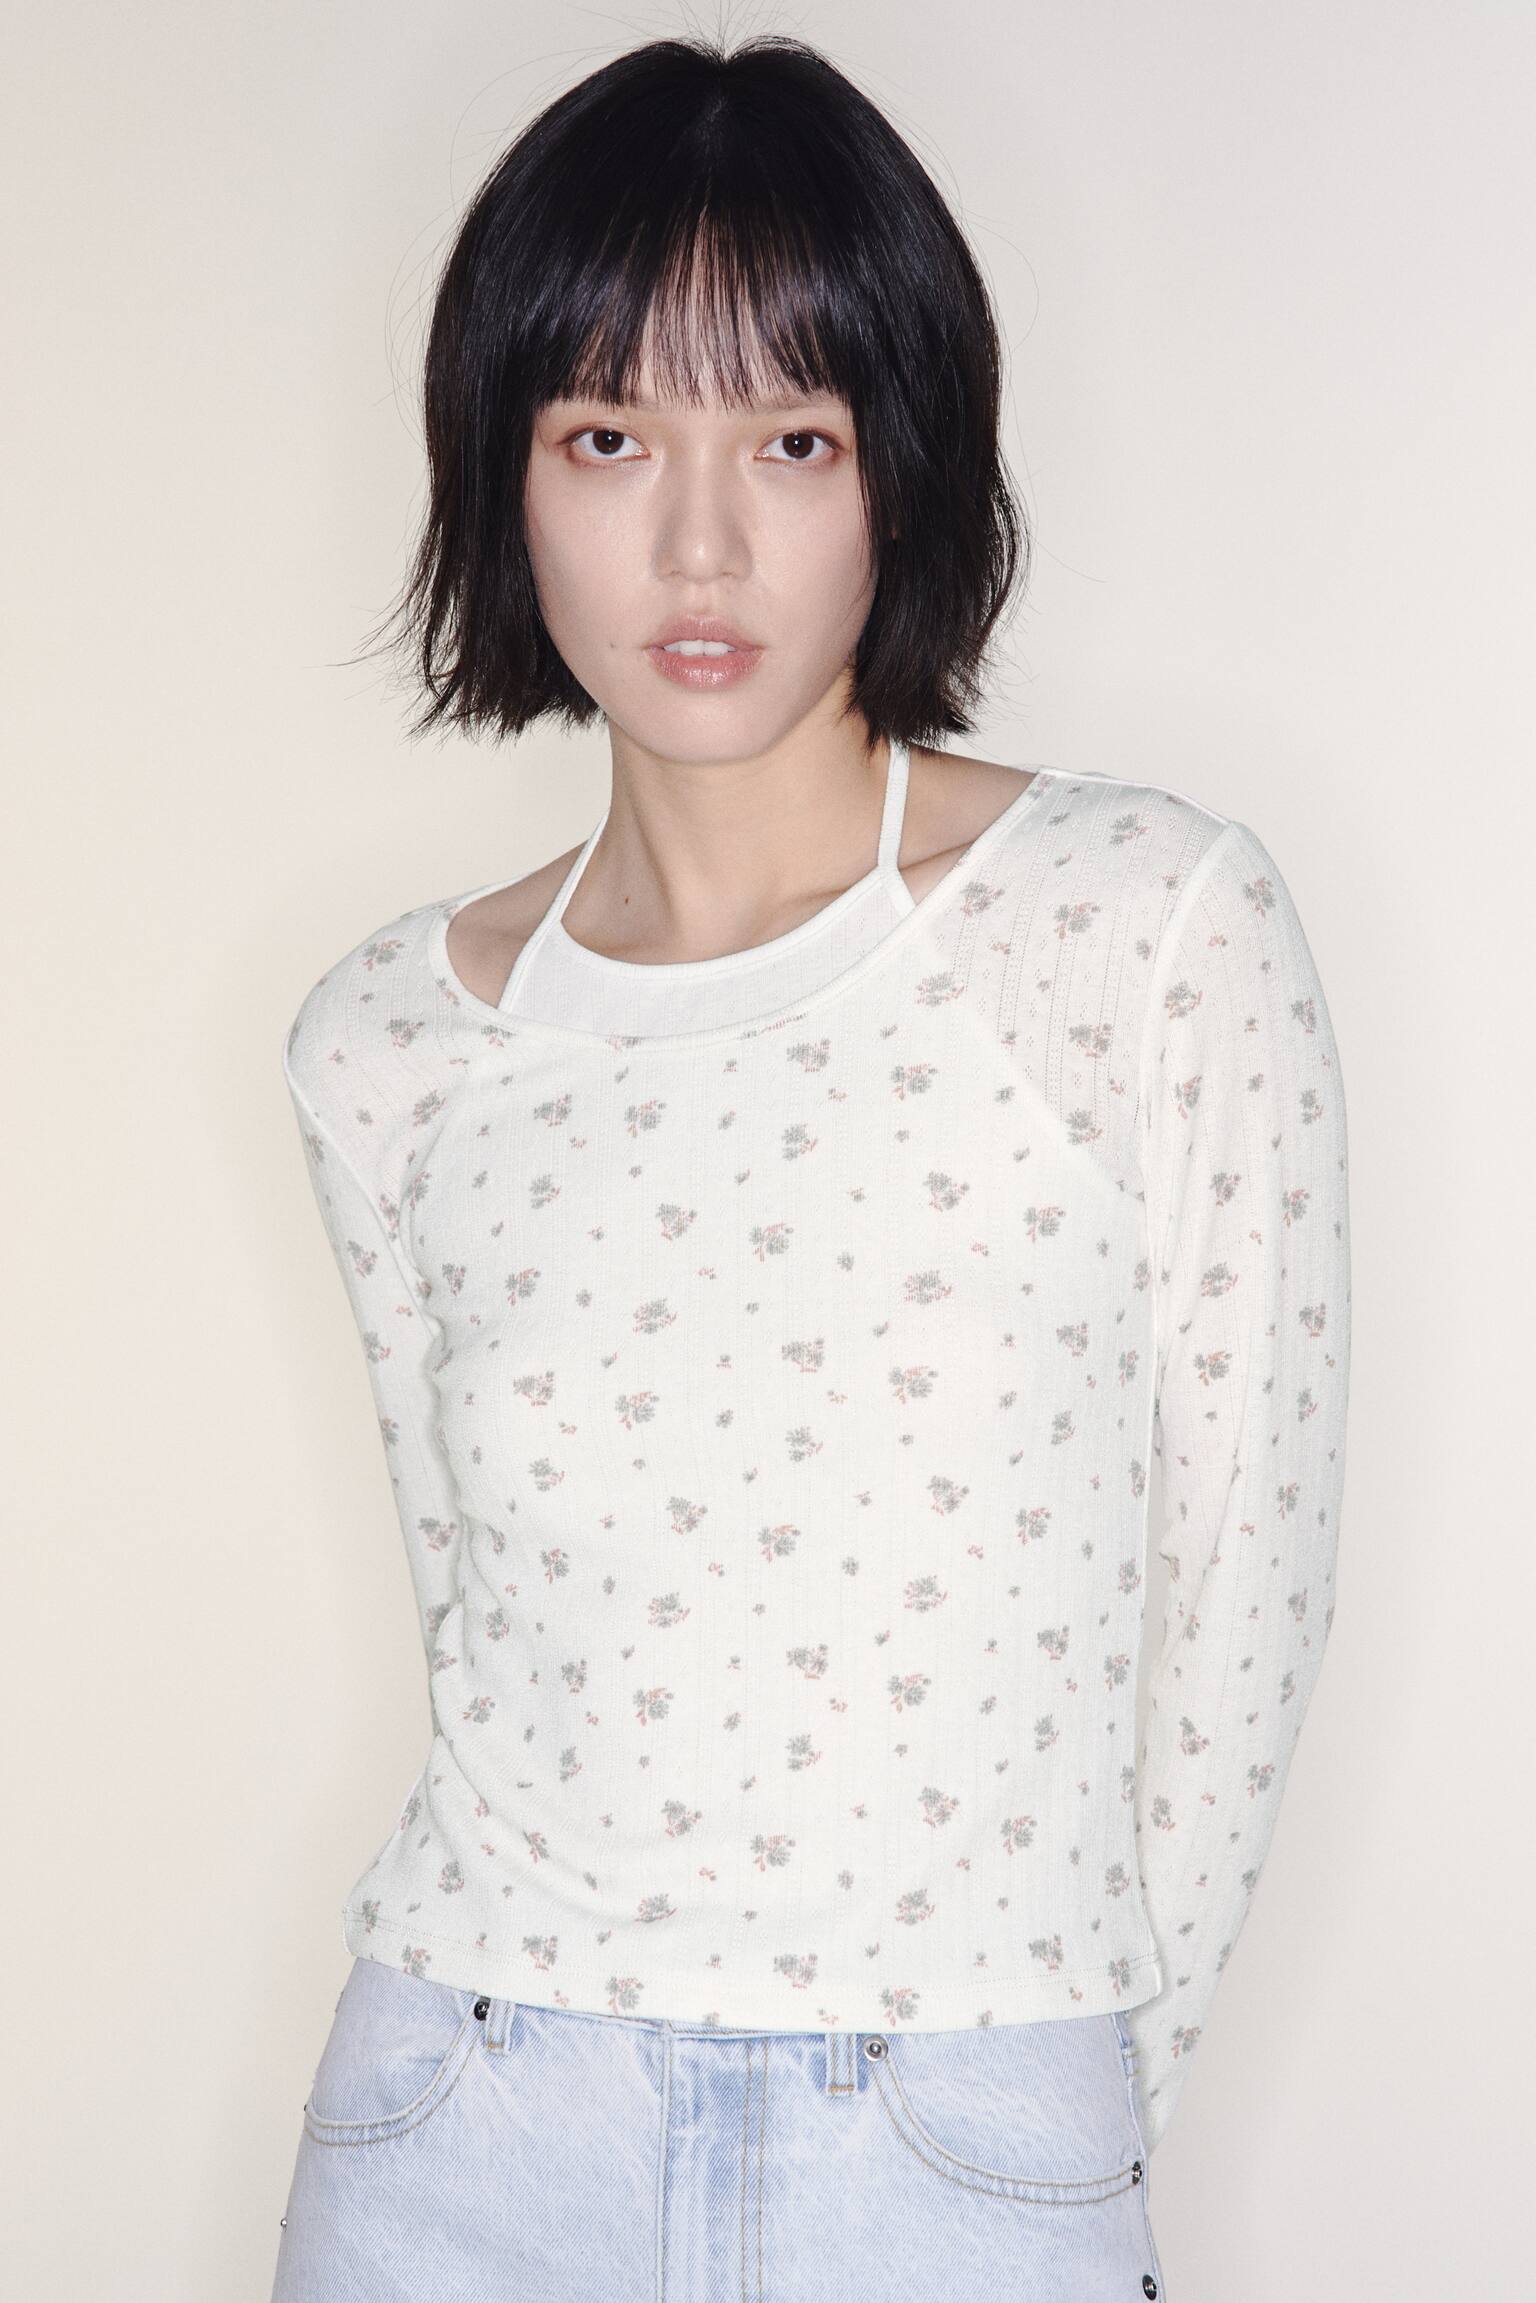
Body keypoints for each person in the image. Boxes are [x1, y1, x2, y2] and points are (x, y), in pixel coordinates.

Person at [271, 32, 1351, 2302]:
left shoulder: (1137, 927)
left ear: (902, 466)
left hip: (957, 2136)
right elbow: (478, 1626)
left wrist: (1049, 2119)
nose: (700, 543)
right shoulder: (393, 1042)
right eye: (607, 436)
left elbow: (1240, 1615)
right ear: (503, 473)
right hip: (467, 2123)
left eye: (791, 438)